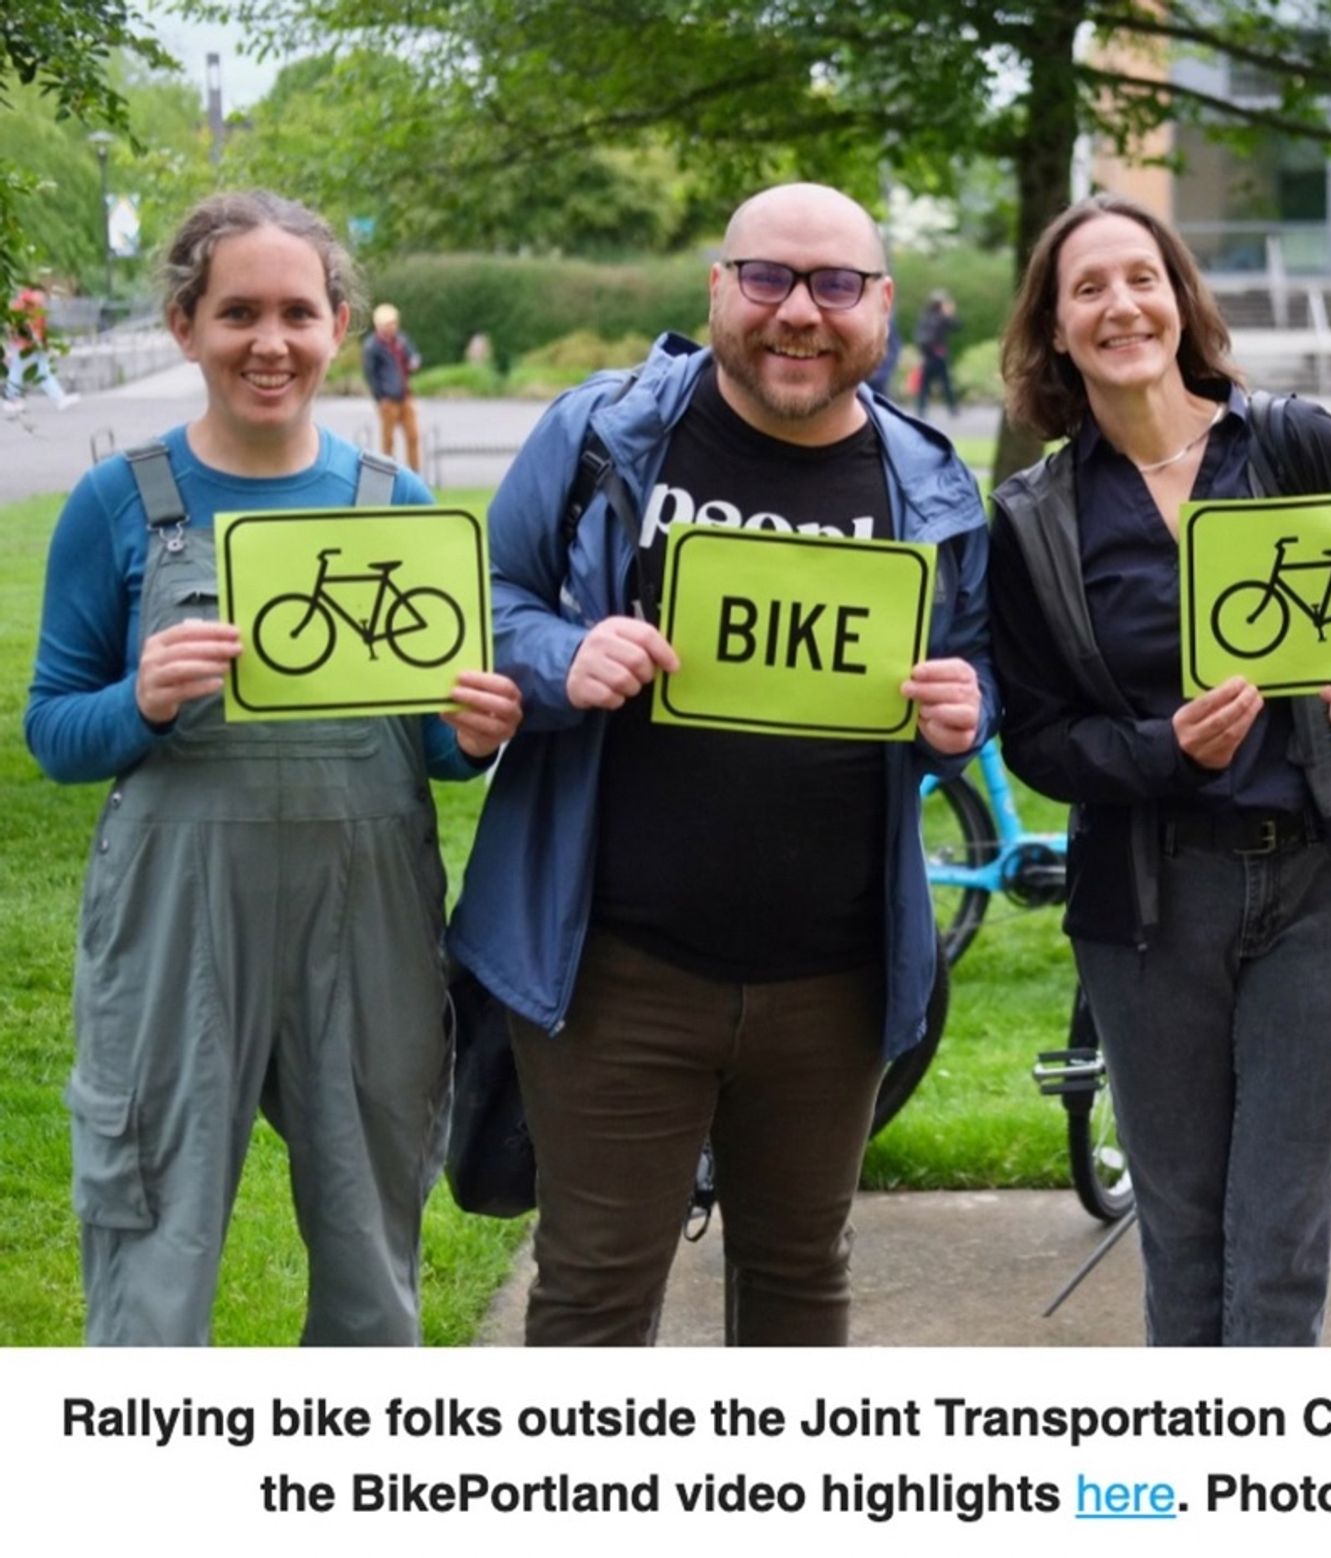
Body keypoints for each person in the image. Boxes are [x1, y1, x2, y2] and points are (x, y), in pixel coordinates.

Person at [447, 182, 994, 1347]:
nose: (799, 311)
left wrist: (968, 705)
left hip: (834, 973)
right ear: (717, 289)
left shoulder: (928, 481)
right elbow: (482, 601)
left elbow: (975, 661)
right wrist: (561, 654)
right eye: (768, 278)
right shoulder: (600, 433)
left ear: (881, 307)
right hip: (613, 965)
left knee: (800, 1285)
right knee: (594, 1293)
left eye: (834, 284)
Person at [23, 190, 523, 1346]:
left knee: (368, 1249)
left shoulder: (394, 509)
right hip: (173, 923)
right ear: (185, 323)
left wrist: (477, 732)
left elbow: (434, 752)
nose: (269, 341)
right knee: (154, 1237)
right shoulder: (121, 503)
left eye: (297, 311)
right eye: (236, 311)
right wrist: (139, 701)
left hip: (367, 914)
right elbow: (54, 729)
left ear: (338, 325)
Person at [987, 193, 1331, 1346]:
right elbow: (1032, 738)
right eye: (1086, 288)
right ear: (1051, 330)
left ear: (1181, 299)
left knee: (1278, 1240)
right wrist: (1161, 751)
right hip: (1149, 903)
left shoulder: (1294, 444)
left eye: (1141, 277)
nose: (1120, 304)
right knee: (1181, 1236)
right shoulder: (1036, 516)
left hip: (1322, 890)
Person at [362, 301, 422, 467]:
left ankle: (415, 473)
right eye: (389, 324)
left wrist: (414, 361)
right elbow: (370, 374)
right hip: (388, 398)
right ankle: (388, 474)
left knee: (413, 436)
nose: (393, 327)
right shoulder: (372, 346)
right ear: (380, 326)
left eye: (394, 323)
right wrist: (379, 398)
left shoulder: (401, 339)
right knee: (388, 441)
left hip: (405, 395)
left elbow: (413, 355)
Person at [3, 285, 79, 415]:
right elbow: (21, 327)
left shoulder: (34, 306)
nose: (44, 299)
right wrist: (35, 340)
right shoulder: (25, 306)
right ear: (35, 293)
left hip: (32, 346)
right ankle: (12, 400)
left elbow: (38, 328)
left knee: (42, 372)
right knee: (21, 372)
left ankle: (59, 398)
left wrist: (43, 344)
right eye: (42, 296)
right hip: (25, 346)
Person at [914, 289, 959, 417]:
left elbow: (919, 336)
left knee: (926, 384)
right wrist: (950, 313)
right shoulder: (940, 318)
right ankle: (952, 409)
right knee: (944, 383)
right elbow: (957, 325)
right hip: (937, 355)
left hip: (929, 356)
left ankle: (921, 410)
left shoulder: (926, 317)